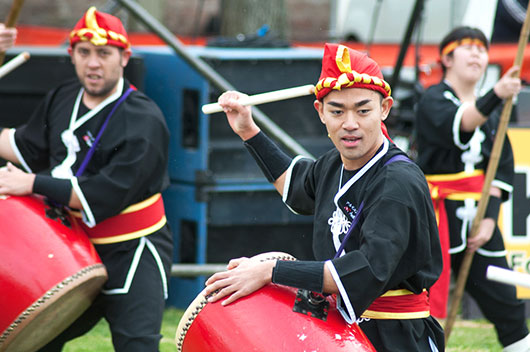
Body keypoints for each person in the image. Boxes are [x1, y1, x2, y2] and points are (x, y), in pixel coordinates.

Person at [204, 43, 445, 351]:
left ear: (384, 108)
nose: (350, 124)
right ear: (320, 112)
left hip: (394, 336)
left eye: (363, 110)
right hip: (340, 328)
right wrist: (248, 131)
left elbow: (367, 268)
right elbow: (295, 186)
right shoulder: (334, 163)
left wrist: (271, 271)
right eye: (337, 111)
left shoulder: (398, 184)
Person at [0, 7, 173, 352]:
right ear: (72, 56)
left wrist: (32, 184)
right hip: (67, 244)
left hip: (131, 248)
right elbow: (18, 145)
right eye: (84, 53)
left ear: (124, 57)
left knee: (136, 345)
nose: (93, 63)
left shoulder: (143, 119)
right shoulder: (62, 97)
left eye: (104, 53)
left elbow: (102, 194)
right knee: (31, 340)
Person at [415, 26, 530, 351]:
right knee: (425, 296)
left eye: (482, 48)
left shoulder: (496, 112)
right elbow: (461, 124)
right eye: (468, 47)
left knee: (505, 299)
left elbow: (501, 165)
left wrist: (490, 216)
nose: (477, 53)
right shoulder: (433, 99)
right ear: (447, 58)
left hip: (479, 215)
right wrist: (497, 93)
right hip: (439, 215)